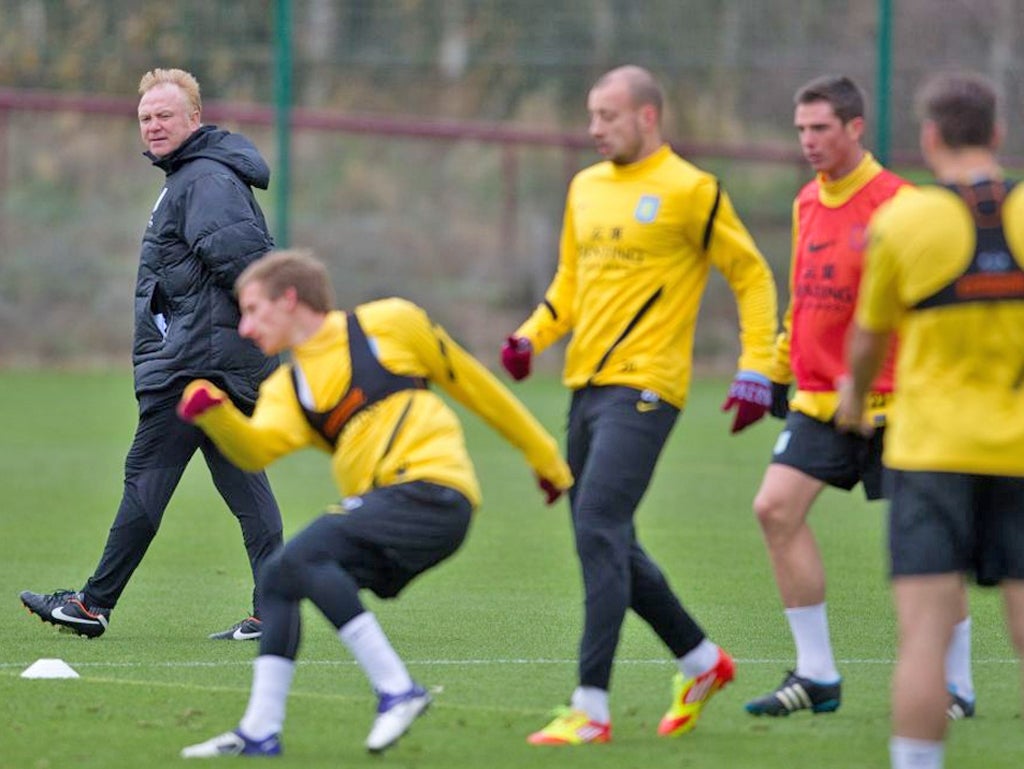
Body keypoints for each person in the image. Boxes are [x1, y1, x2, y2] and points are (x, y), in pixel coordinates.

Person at [178, 249, 573, 757]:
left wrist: (546, 458)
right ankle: (259, 730)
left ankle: (397, 690)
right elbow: (256, 451)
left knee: (303, 557)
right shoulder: (287, 387)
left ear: (291, 299)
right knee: (279, 577)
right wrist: (217, 415)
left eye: (253, 310)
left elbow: (477, 389)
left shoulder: (391, 323)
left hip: (434, 493)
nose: (246, 327)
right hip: (383, 507)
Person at [500, 64, 779, 746]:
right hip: (586, 386)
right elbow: (570, 280)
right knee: (607, 535)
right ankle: (701, 660)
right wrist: (532, 334)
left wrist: (758, 368)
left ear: (647, 117)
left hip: (649, 386)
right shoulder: (585, 186)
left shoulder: (692, 190)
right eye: (591, 115)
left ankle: (590, 707)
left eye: (607, 116)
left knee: (598, 522)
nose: (593, 128)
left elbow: (751, 273)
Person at [20, 68, 283, 641]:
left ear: (194, 118)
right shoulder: (190, 176)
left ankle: (93, 604)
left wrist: (270, 329)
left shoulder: (204, 180)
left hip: (198, 364)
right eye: (145, 117)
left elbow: (248, 264)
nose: (154, 125)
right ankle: (274, 610)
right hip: (211, 358)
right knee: (244, 484)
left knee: (148, 476)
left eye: (165, 115)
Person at [746, 75, 975, 718]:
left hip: (898, 408)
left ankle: (957, 686)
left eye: (820, 128)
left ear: (854, 128)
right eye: (800, 130)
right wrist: (772, 370)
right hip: (821, 403)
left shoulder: (903, 204)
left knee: (927, 547)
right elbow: (804, 299)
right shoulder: (804, 202)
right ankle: (817, 675)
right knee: (774, 509)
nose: (808, 142)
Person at [835, 71, 1024, 769]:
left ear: (930, 138)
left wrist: (852, 398)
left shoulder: (905, 220)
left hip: (930, 452)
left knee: (924, 634)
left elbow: (868, 334)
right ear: (998, 134)